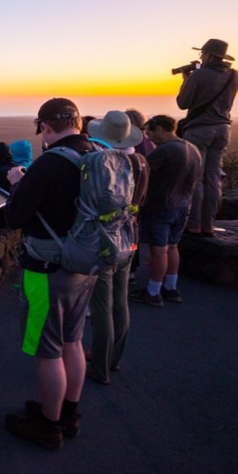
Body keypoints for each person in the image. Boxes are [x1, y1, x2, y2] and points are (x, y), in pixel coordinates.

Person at [3, 97, 97, 450]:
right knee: (72, 341)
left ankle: (48, 424)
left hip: (47, 269)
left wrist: (17, 182)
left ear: (44, 127)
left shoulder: (49, 164)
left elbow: (15, 218)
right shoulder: (95, 153)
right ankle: (68, 413)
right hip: (84, 265)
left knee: (48, 351)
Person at [84, 111, 149, 385]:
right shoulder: (142, 160)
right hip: (130, 235)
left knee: (101, 305)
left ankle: (100, 367)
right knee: (120, 302)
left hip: (106, 241)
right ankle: (114, 358)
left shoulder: (106, 161)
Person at [130, 115, 202, 307]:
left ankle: (153, 292)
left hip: (161, 206)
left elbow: (140, 172)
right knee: (172, 247)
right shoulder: (193, 149)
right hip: (183, 205)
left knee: (158, 251)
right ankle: (171, 287)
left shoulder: (165, 151)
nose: (149, 138)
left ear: (161, 128)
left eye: (150, 132)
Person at [176, 38, 238, 237]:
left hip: (199, 129)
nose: (201, 57)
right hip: (223, 128)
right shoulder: (235, 75)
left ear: (208, 54)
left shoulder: (199, 75)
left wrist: (187, 80)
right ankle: (208, 225)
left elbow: (183, 102)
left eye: (202, 54)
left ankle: (194, 225)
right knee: (213, 178)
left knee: (196, 177)